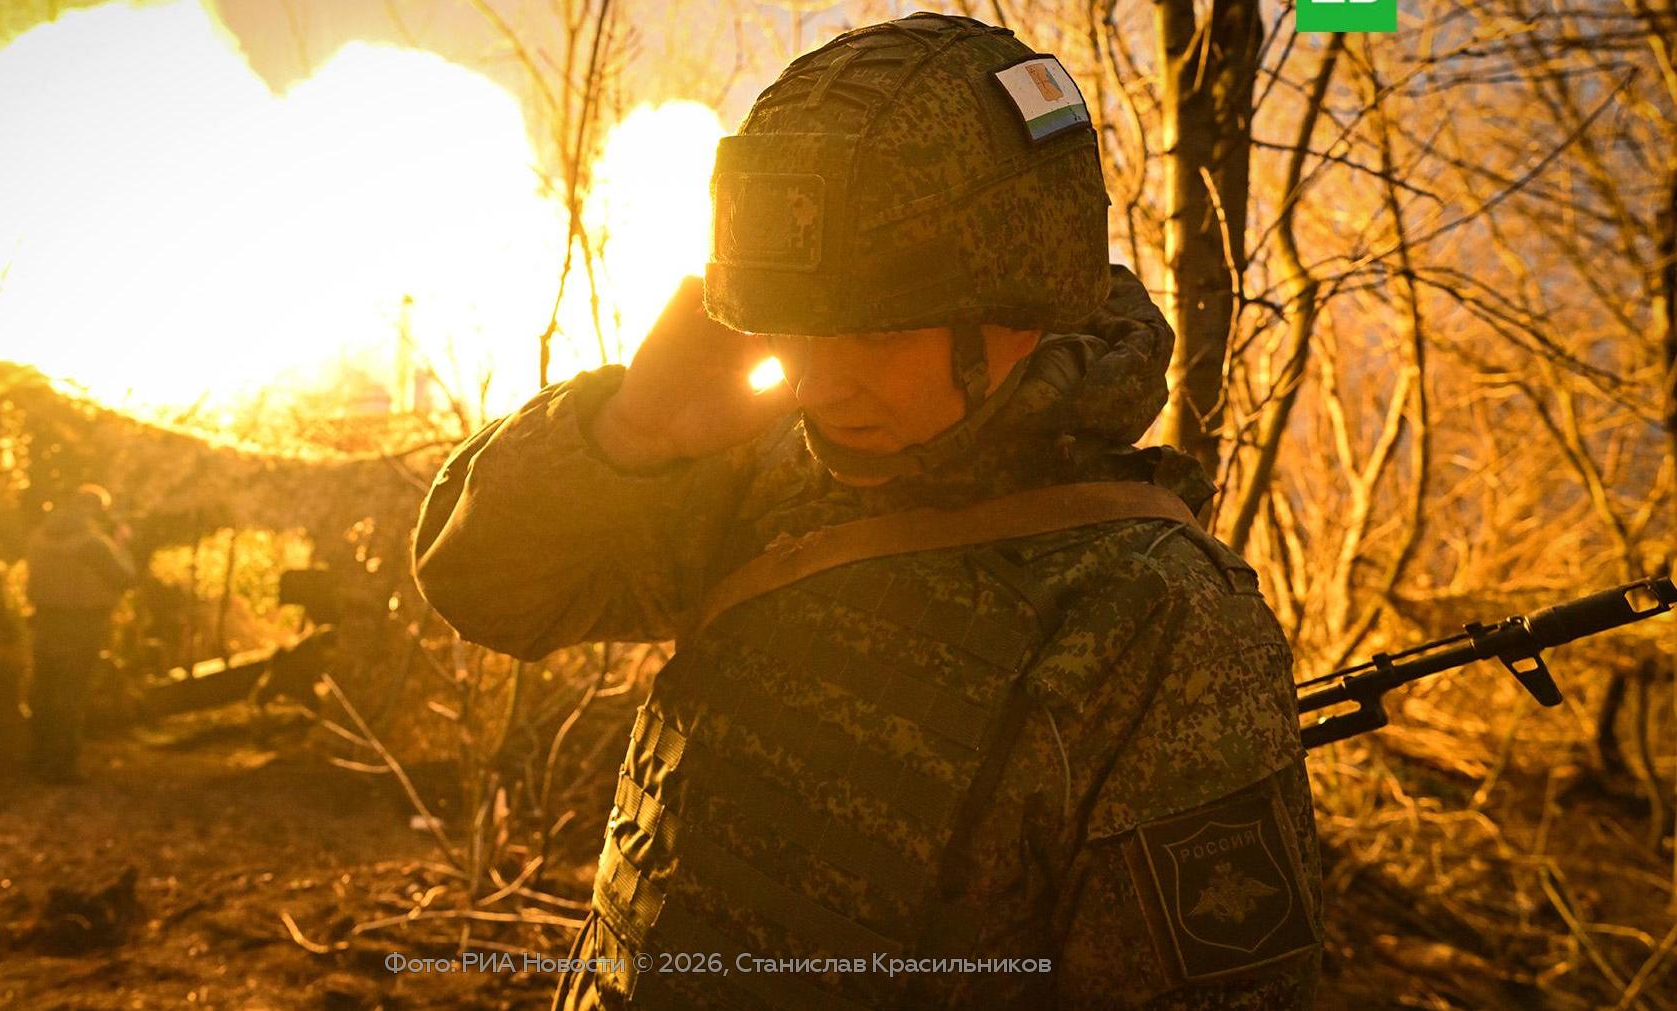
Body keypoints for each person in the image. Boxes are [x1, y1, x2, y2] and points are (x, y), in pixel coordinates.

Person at [413, 12, 1320, 1009]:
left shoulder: (1158, 617)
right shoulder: (763, 469)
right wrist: (627, 432)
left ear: (1021, 305)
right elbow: (484, 590)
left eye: (873, 334)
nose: (814, 384)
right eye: (794, 327)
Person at [24, 483, 135, 784]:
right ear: (94, 511)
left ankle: (38, 758)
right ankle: (61, 765)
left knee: (43, 692)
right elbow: (125, 578)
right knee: (70, 694)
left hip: (45, 622)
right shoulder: (91, 544)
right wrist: (121, 546)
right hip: (82, 625)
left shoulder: (40, 536)